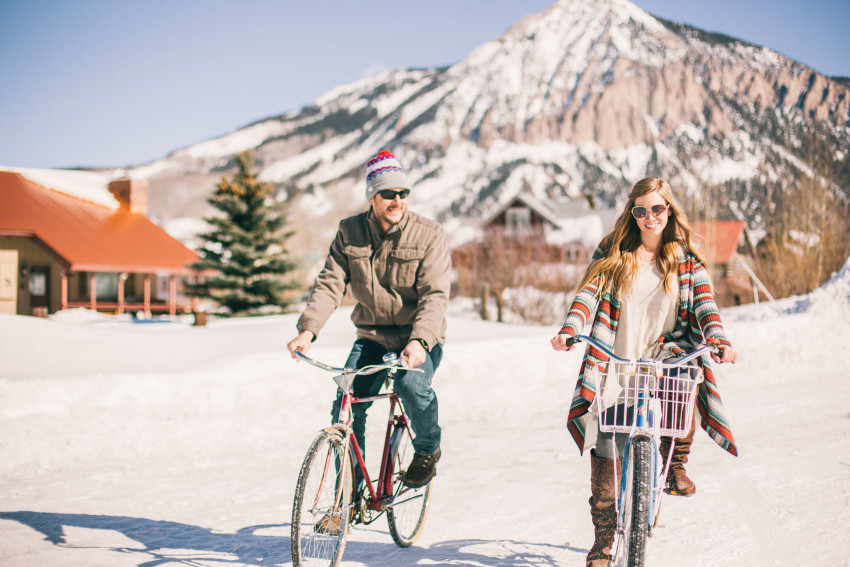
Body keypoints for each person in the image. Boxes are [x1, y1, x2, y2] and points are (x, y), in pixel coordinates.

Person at [549, 177, 738, 567]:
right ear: (631, 214)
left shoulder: (685, 258)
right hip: (618, 361)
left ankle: (674, 463)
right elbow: (588, 293)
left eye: (657, 209)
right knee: (605, 445)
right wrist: (571, 328)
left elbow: (705, 305)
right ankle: (603, 540)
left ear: (668, 210)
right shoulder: (614, 250)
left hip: (665, 359)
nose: (649, 217)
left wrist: (717, 338)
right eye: (640, 210)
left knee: (685, 387)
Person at [287, 149, 451, 518]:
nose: (397, 201)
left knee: (411, 385)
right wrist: (308, 330)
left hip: (419, 338)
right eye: (389, 194)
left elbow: (435, 295)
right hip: (373, 337)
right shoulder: (350, 232)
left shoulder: (429, 234)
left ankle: (427, 448)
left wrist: (419, 341)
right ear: (372, 197)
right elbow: (330, 284)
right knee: (346, 405)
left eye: (403, 193)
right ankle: (347, 500)